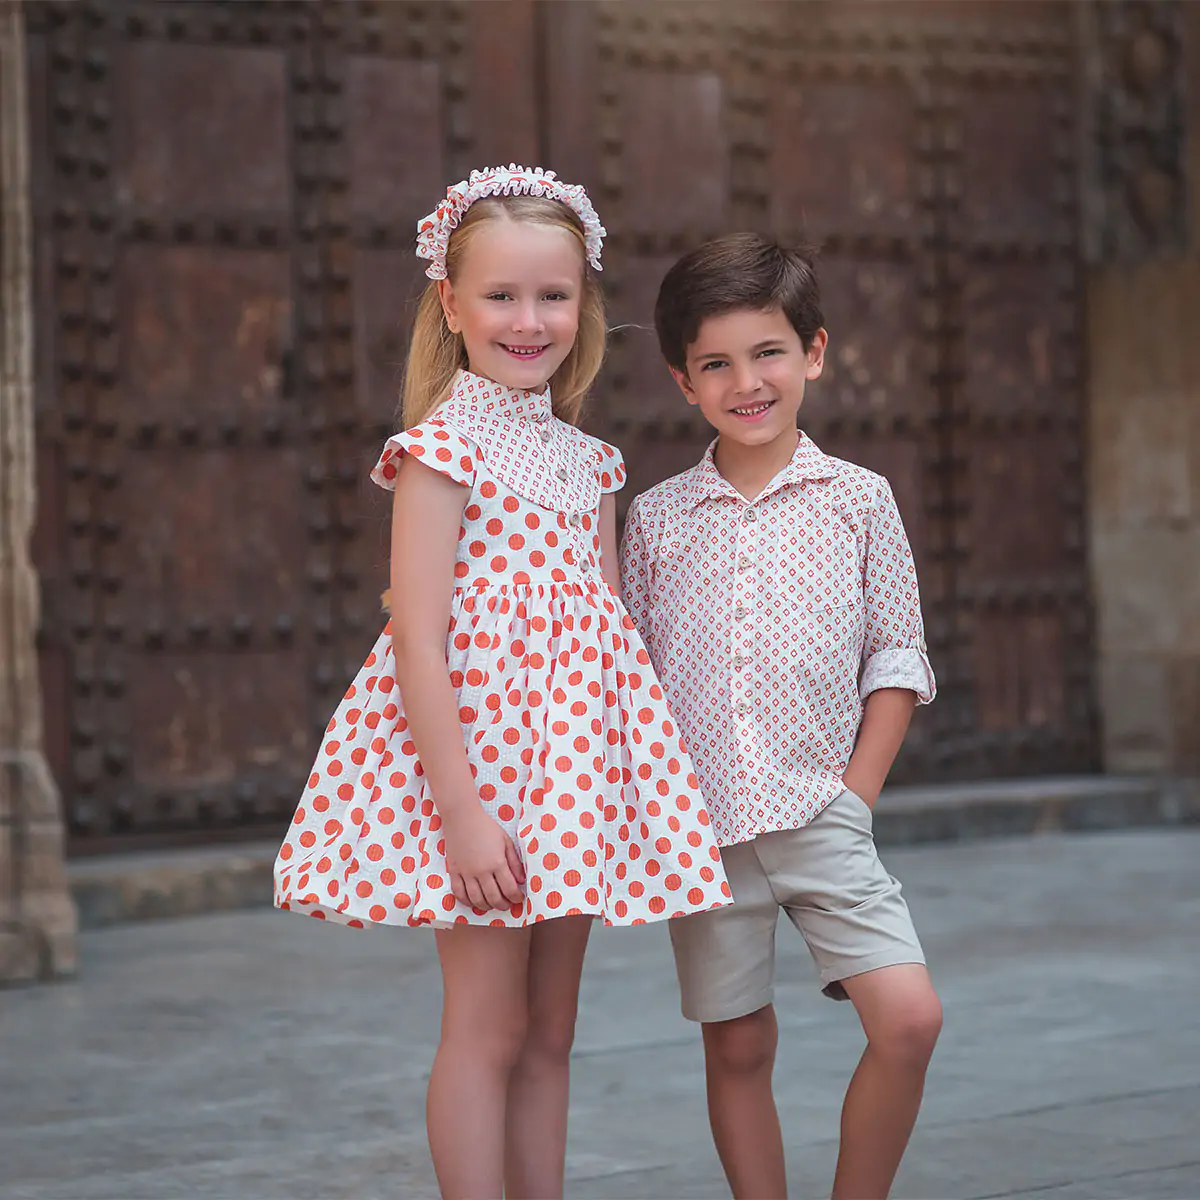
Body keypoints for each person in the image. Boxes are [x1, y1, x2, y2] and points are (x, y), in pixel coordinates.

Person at [274, 166, 730, 1200]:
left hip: (567, 778)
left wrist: (620, 791)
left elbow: (606, 639)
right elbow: (417, 641)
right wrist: (463, 815)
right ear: (451, 303)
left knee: (549, 1032)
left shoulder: (591, 464)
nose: (529, 321)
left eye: (553, 295)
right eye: (501, 295)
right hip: (477, 779)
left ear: (584, 304)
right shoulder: (437, 453)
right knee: (486, 1027)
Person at [620, 233, 942, 1200]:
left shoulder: (860, 501)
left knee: (909, 1020)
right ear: (684, 382)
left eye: (767, 353)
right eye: (716, 363)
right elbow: (633, 672)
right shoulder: (658, 518)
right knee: (738, 1046)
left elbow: (897, 655)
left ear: (814, 352)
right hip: (702, 833)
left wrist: (857, 795)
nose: (746, 382)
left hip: (822, 814)